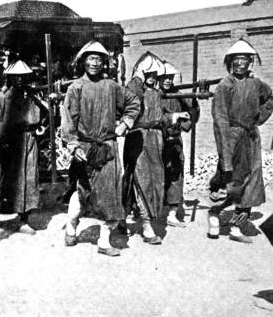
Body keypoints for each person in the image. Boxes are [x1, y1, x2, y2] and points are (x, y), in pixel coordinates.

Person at [61, 40, 140, 256]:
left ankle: (104, 242)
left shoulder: (112, 86)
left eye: (99, 59)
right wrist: (73, 145)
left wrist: (125, 123)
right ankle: (71, 225)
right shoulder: (75, 88)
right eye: (91, 58)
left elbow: (133, 103)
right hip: (84, 148)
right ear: (83, 62)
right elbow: (68, 120)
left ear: (104, 63)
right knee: (83, 191)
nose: (95, 63)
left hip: (108, 148)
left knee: (111, 194)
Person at [207, 39, 273, 243]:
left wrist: (258, 118)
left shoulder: (256, 83)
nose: (240, 63)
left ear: (250, 62)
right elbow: (219, 118)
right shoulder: (224, 86)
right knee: (232, 181)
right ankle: (214, 213)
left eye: (244, 59)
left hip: (251, 137)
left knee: (252, 181)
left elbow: (269, 99)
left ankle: (236, 227)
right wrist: (225, 149)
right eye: (236, 59)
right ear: (230, 62)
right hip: (232, 136)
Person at [0, 60, 43, 234]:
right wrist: (1, 140)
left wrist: (40, 127)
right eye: (15, 76)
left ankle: (24, 218)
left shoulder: (32, 97)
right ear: (9, 78)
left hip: (28, 140)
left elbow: (42, 116)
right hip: (8, 140)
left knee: (28, 178)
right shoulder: (1, 97)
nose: (19, 79)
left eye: (23, 76)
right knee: (1, 176)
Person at [123, 52, 171, 245]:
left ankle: (131, 217)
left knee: (155, 180)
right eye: (147, 73)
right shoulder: (135, 89)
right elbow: (129, 100)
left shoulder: (158, 94)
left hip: (156, 140)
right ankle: (146, 224)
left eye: (154, 73)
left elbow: (163, 116)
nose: (151, 76)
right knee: (141, 180)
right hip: (139, 139)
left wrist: (174, 119)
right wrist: (138, 79)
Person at [159, 62, 198, 227]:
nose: (168, 81)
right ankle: (143, 211)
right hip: (157, 141)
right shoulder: (154, 95)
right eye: (164, 77)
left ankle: (172, 213)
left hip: (175, 141)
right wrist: (172, 116)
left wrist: (192, 107)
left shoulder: (178, 94)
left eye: (170, 78)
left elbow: (192, 112)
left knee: (175, 175)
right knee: (154, 175)